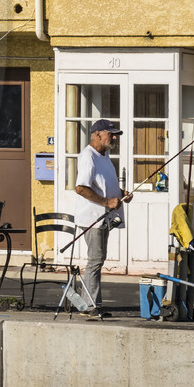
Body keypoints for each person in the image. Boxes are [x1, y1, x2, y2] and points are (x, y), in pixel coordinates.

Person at [71, 118, 133, 318]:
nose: (114, 137)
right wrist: (107, 203)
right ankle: (89, 306)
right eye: (111, 134)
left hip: (104, 217)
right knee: (95, 261)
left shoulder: (104, 156)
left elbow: (104, 184)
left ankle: (91, 304)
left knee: (98, 260)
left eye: (115, 134)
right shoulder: (88, 156)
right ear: (97, 134)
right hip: (93, 218)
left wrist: (122, 193)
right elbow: (81, 188)